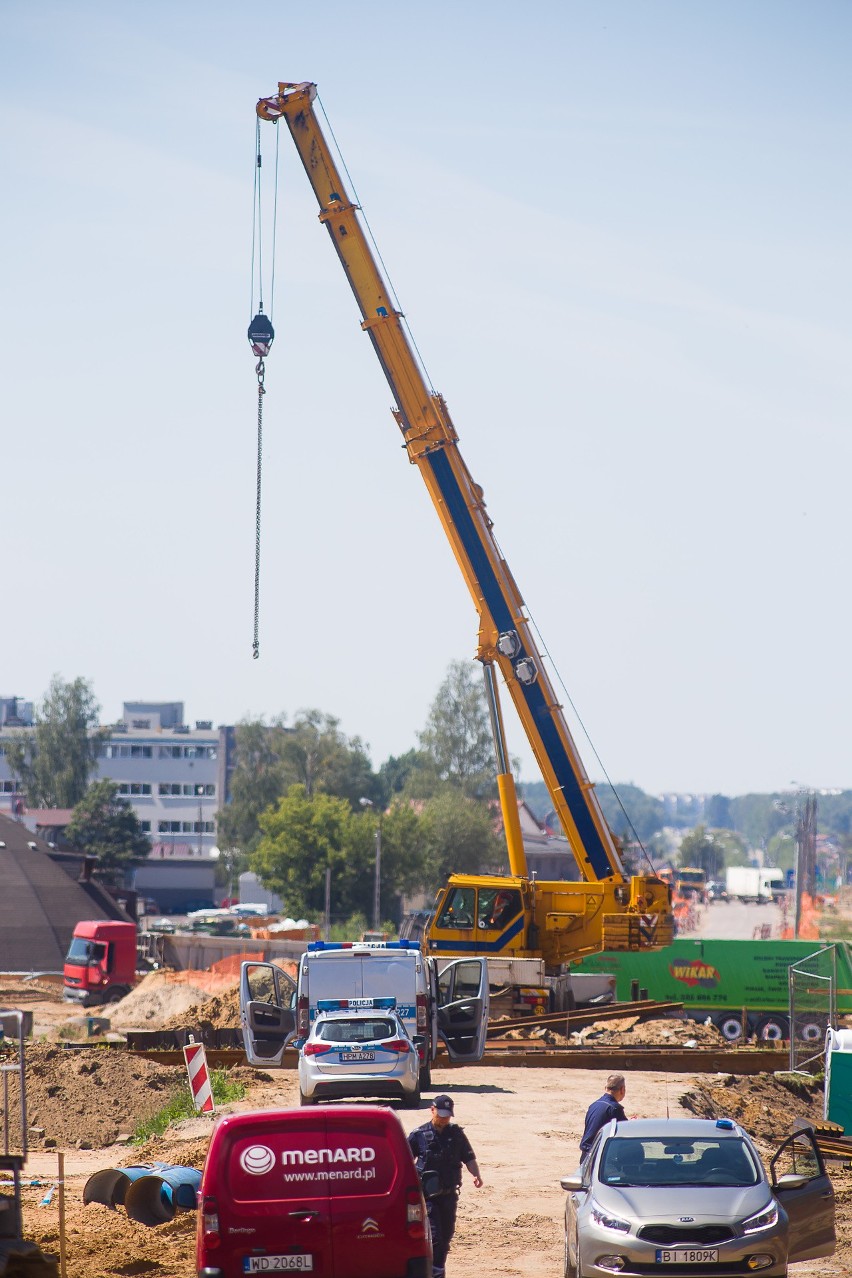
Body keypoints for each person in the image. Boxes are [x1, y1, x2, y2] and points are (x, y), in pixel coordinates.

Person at [408, 1094, 483, 1278]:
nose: (443, 1118)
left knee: (447, 1236)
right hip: (429, 1197)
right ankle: (436, 1273)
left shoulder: (456, 1134)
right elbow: (404, 1160)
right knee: (435, 1238)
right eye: (440, 1114)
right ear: (432, 1110)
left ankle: (436, 1269)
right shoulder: (419, 1135)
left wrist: (476, 1175)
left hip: (450, 1195)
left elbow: (468, 1157)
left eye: (447, 1115)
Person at [579, 1073, 627, 1159]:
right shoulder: (615, 1109)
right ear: (622, 1090)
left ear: (606, 1088)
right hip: (597, 1157)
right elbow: (625, 1131)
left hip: (585, 1156)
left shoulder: (594, 1105)